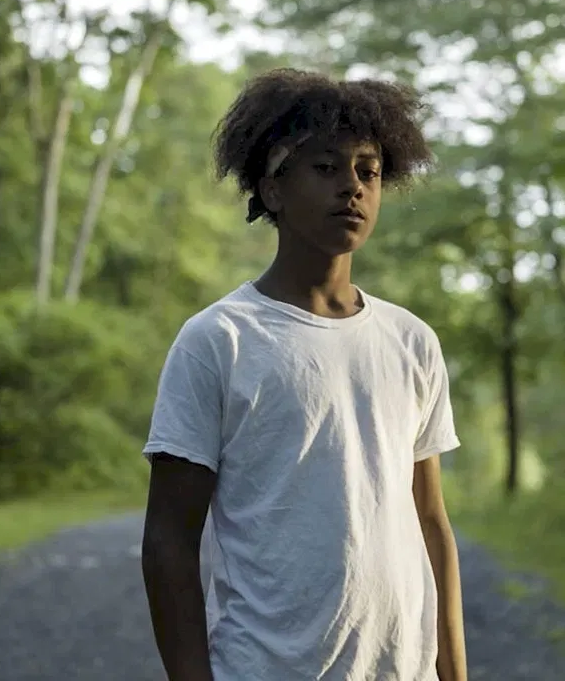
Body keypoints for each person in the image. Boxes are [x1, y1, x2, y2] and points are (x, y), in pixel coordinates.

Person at [139, 67, 468, 681]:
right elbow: (168, 543)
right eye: (326, 168)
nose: (353, 188)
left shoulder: (411, 341)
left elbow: (430, 521)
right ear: (272, 188)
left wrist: (454, 673)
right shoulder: (219, 341)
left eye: (368, 171)